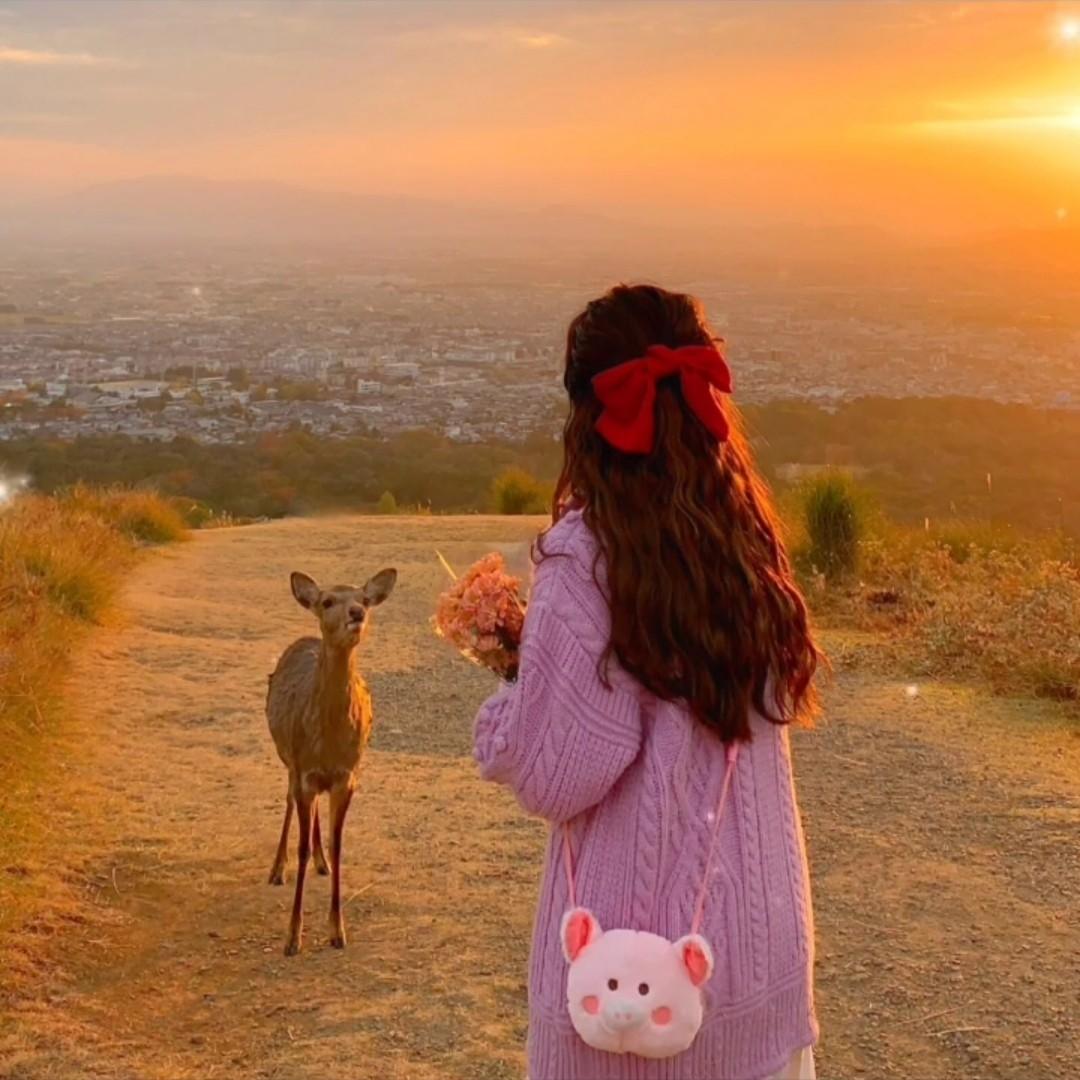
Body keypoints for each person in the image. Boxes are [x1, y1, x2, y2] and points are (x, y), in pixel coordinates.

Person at [473, 284, 822, 1080]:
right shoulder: (745, 534)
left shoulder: (586, 555)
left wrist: (505, 713)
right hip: (756, 949)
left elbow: (563, 771)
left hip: (633, 972)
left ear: (588, 417)